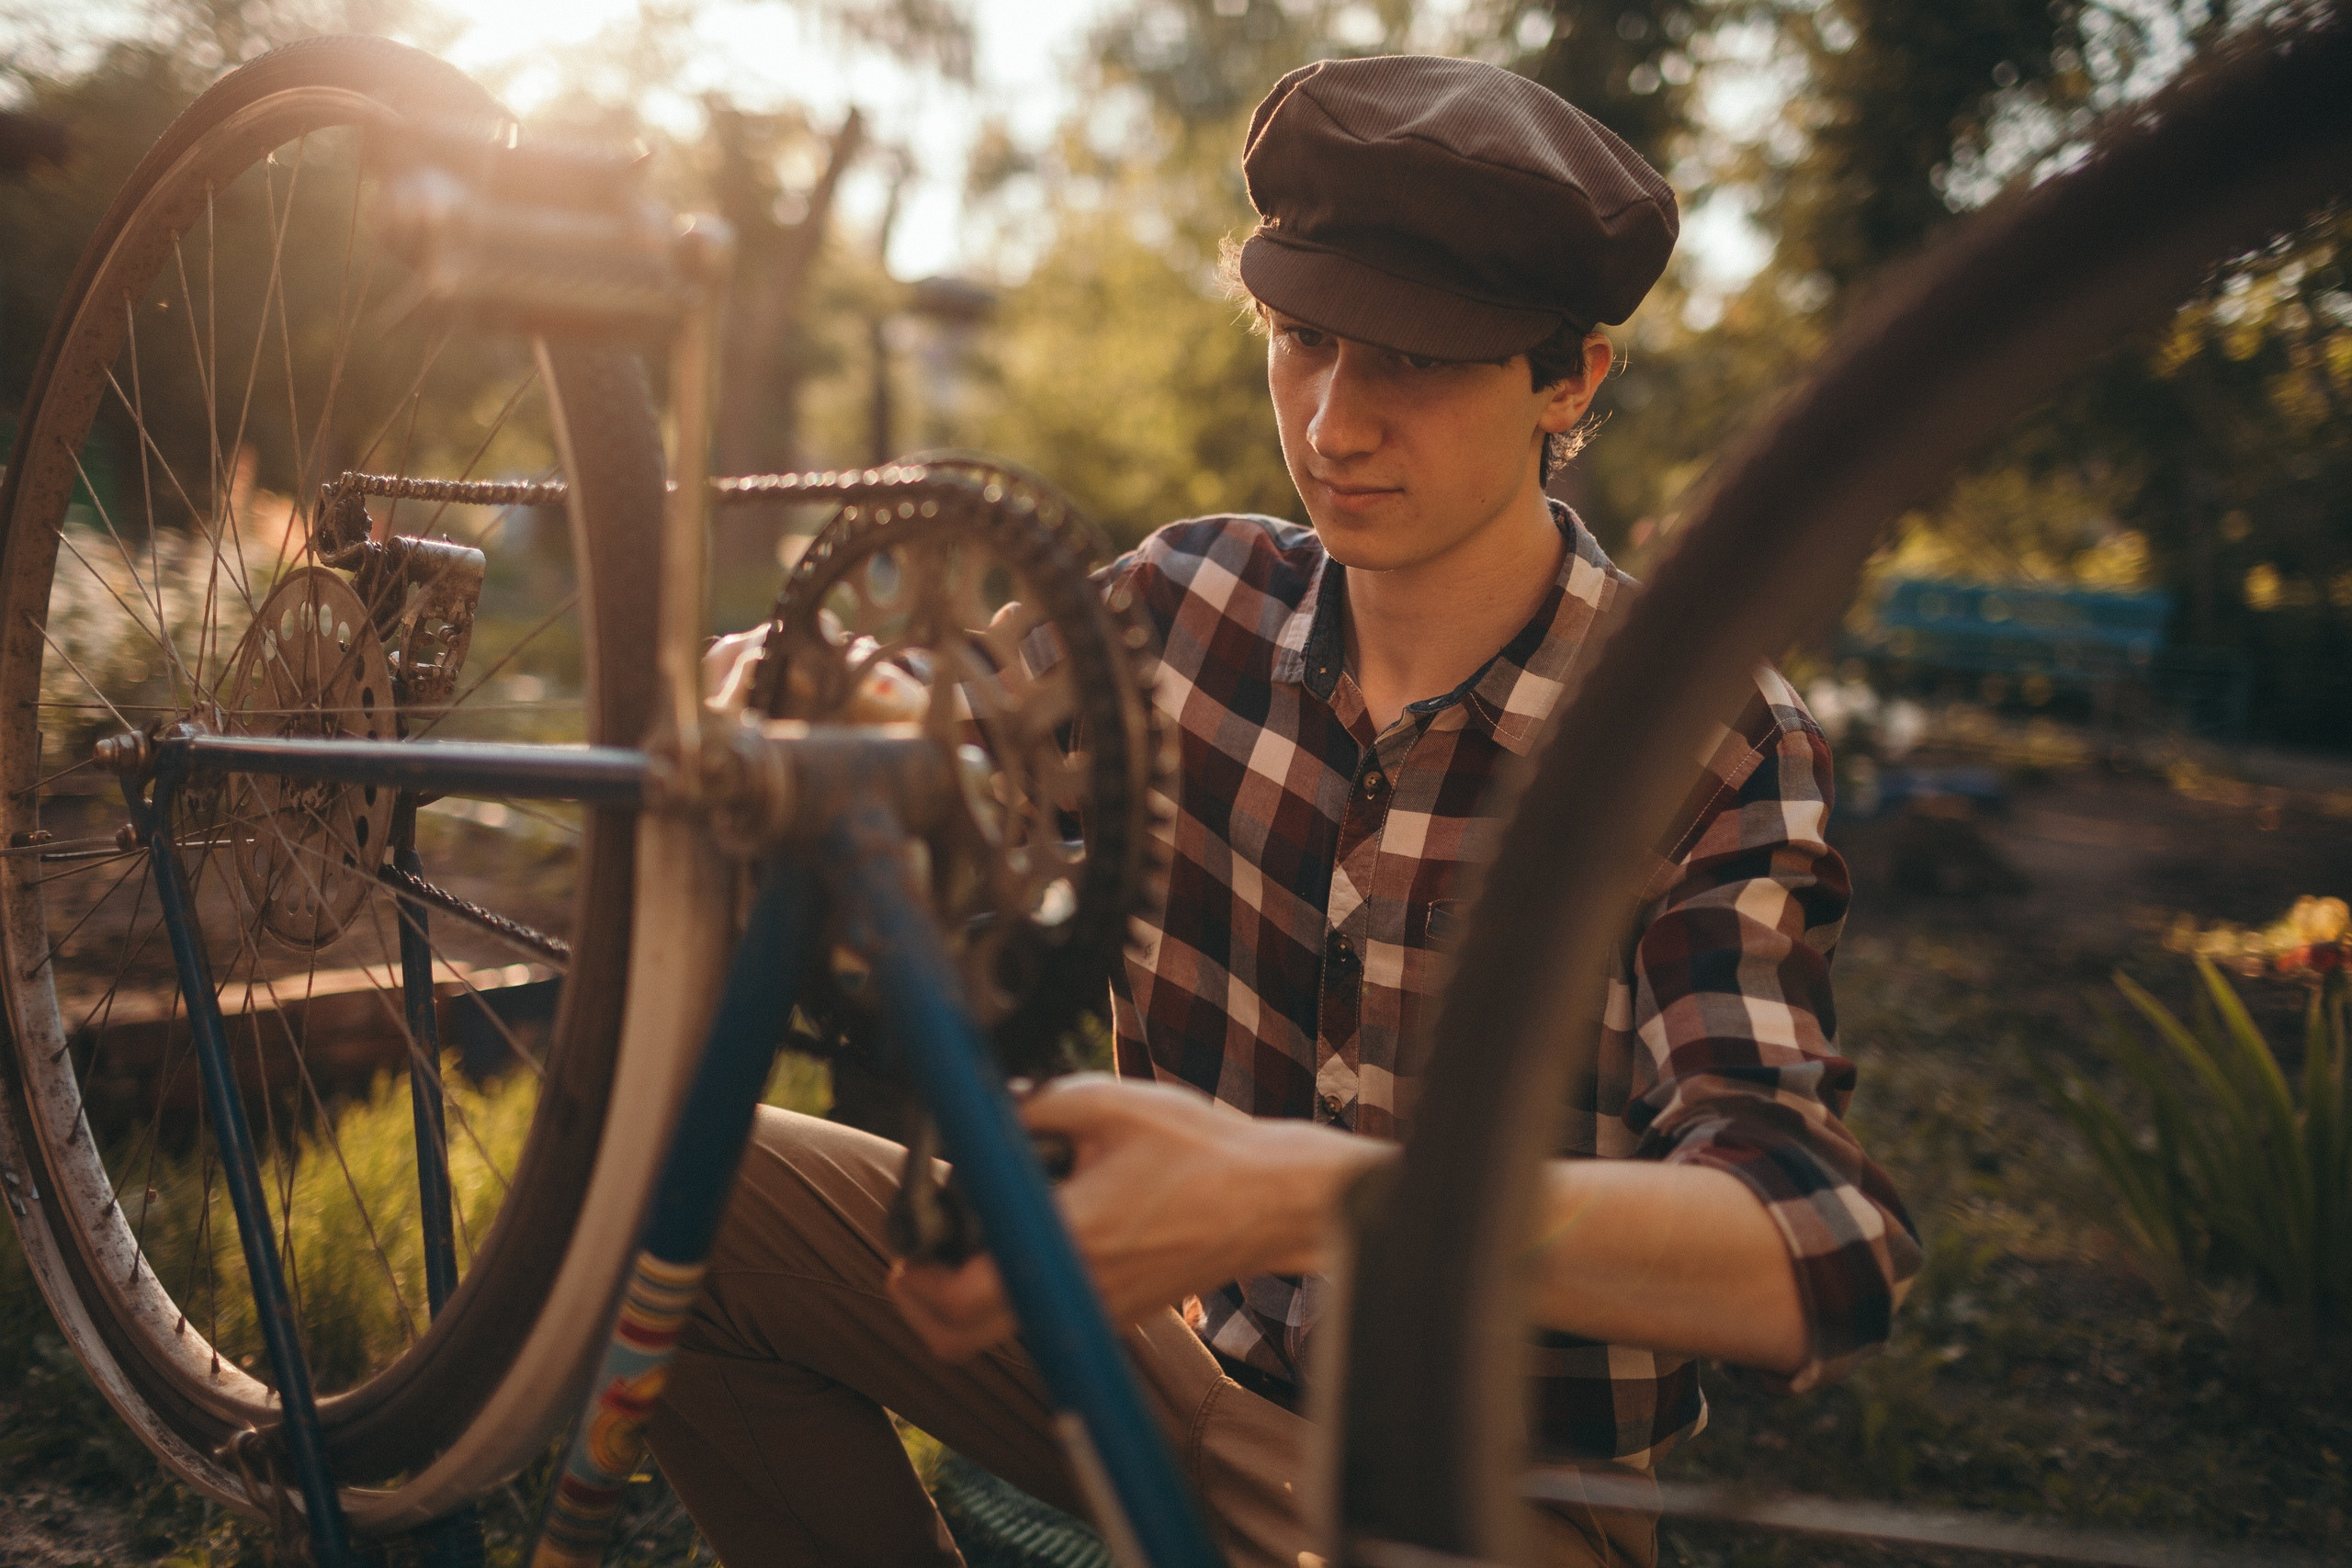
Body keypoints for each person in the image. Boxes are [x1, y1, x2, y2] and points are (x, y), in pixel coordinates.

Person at [650, 53, 1918, 1568]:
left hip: (1481, 1496)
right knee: (682, 1202)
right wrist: (817, 703)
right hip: (1162, 1375)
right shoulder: (1179, 608)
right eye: (1304, 339)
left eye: (1417, 361)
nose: (1331, 424)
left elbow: (1814, 1253)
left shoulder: (1701, 736)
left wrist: (1306, 1199)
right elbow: (938, 757)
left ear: (1570, 376)